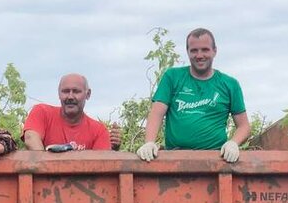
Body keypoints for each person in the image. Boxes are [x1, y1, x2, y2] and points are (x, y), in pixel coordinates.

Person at [137, 28, 250, 162]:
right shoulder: (172, 77)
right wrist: (149, 142)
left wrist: (233, 143)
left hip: (216, 159)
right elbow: (157, 112)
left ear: (214, 51)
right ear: (188, 52)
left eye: (205, 50)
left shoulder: (230, 84)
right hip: (175, 158)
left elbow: (244, 126)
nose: (199, 55)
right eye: (194, 50)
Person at [22, 74, 113, 151]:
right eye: (65, 91)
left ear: (88, 94)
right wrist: (46, 168)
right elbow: (30, 139)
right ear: (58, 94)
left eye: (76, 91)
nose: (70, 96)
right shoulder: (41, 112)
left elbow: (101, 164)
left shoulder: (99, 131)